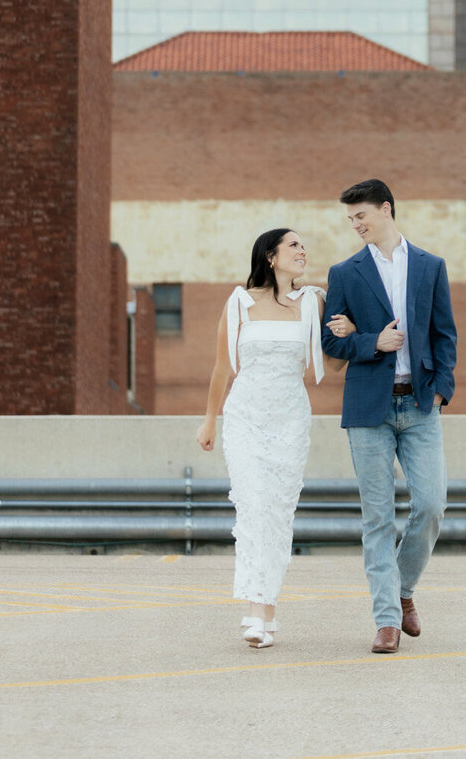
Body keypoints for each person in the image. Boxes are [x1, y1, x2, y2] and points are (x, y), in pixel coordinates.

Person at [321, 178, 458, 655]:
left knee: (431, 505)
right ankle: (386, 621)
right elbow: (331, 343)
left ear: (386, 209)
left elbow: (445, 334)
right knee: (377, 518)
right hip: (367, 408)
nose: (356, 225)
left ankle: (403, 590)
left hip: (420, 405)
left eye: (361, 216)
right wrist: (370, 342)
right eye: (350, 219)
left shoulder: (429, 266)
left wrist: (442, 389)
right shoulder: (344, 273)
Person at [194, 227, 333, 649]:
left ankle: (265, 609)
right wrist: (209, 420)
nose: (302, 251)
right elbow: (223, 367)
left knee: (277, 513)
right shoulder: (239, 302)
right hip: (245, 418)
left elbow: (329, 366)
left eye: (304, 246)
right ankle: (255, 611)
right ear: (270, 256)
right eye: (293, 245)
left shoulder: (314, 302)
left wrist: (348, 334)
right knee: (252, 507)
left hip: (290, 419)